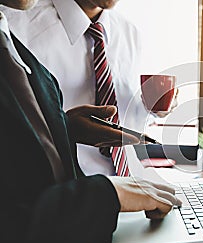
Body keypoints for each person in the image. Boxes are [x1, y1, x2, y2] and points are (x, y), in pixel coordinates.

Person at [0, 1, 181, 243]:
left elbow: (124, 119)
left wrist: (152, 109)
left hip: (131, 204)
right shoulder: (21, 25)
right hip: (69, 216)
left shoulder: (129, 33)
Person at [1, 0, 159, 177]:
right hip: (65, 191)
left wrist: (151, 107)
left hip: (129, 183)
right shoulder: (14, 25)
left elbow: (125, 115)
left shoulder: (130, 33)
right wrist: (65, 130)